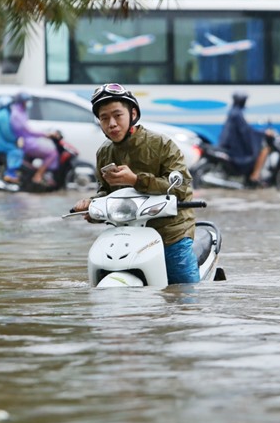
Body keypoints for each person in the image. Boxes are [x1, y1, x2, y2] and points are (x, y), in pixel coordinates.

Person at [71, 83, 199, 284]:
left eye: (117, 115)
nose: (111, 123)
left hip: (170, 232)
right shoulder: (104, 152)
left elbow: (181, 189)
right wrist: (92, 205)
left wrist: (136, 180)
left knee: (185, 294)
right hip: (127, 233)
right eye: (104, 118)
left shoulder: (162, 144)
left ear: (133, 114)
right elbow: (105, 193)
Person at [217, 91, 272, 186]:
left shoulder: (233, 112)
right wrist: (262, 133)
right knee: (261, 151)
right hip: (235, 149)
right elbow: (246, 131)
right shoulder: (237, 114)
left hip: (230, 146)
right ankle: (254, 176)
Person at [9, 92, 59, 187]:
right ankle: (38, 175)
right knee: (52, 153)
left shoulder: (20, 112)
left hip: (28, 141)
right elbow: (28, 131)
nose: (28, 103)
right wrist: (45, 134)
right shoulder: (17, 115)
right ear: (23, 102)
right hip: (28, 143)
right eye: (27, 101)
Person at [0, 96, 23, 183]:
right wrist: (16, 139)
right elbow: (7, 133)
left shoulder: (3, 114)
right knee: (17, 152)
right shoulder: (3, 115)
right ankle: (10, 174)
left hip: (1, 142)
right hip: (1, 143)